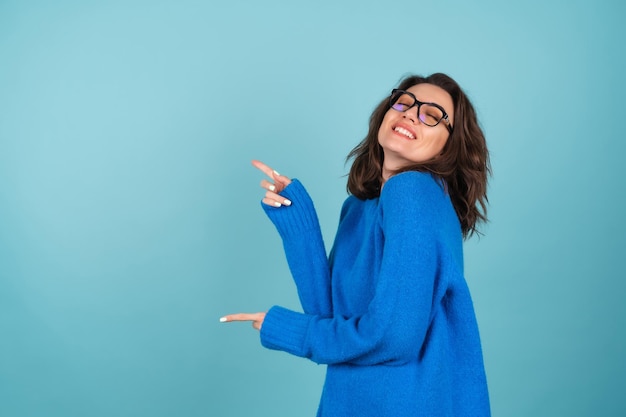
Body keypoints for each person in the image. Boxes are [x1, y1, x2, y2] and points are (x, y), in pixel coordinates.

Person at [220, 72, 491, 417]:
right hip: (351, 400)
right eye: (404, 102)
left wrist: (290, 330)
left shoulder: (414, 193)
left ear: (449, 146)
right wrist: (296, 219)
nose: (410, 113)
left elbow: (395, 337)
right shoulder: (361, 208)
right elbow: (330, 317)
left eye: (432, 115)